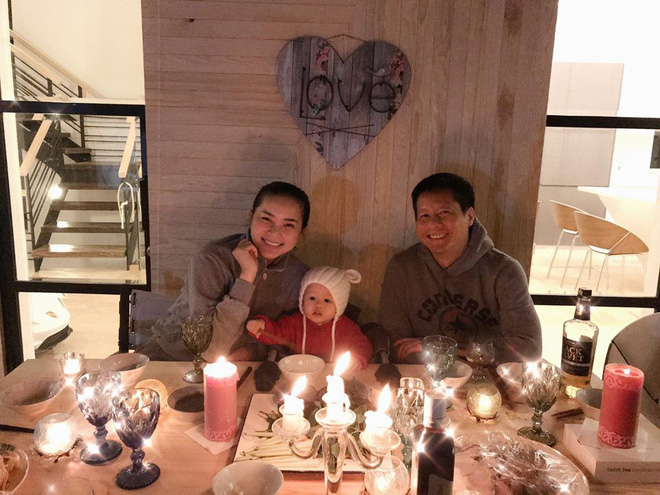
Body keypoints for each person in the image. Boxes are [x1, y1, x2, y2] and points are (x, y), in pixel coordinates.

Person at [377, 173, 542, 364]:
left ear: (470, 216)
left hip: (488, 378)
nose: (433, 224)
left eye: (444, 213)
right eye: (424, 216)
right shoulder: (402, 268)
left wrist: (446, 350)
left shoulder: (504, 271)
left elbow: (529, 348)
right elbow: (396, 344)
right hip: (421, 375)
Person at [137, 181, 310, 361]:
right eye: (266, 219)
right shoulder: (212, 259)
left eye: (289, 225)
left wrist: (251, 352)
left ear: (302, 232)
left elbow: (287, 338)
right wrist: (247, 277)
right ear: (251, 217)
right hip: (173, 358)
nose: (275, 231)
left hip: (245, 364)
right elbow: (209, 348)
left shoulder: (299, 276)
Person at [246, 266, 372, 369]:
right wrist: (261, 326)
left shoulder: (347, 327)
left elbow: (363, 345)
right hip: (300, 374)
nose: (318, 305)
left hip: (335, 378)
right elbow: (276, 332)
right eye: (312, 298)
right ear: (302, 299)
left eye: (327, 300)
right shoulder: (294, 323)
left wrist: (357, 358)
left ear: (339, 304)